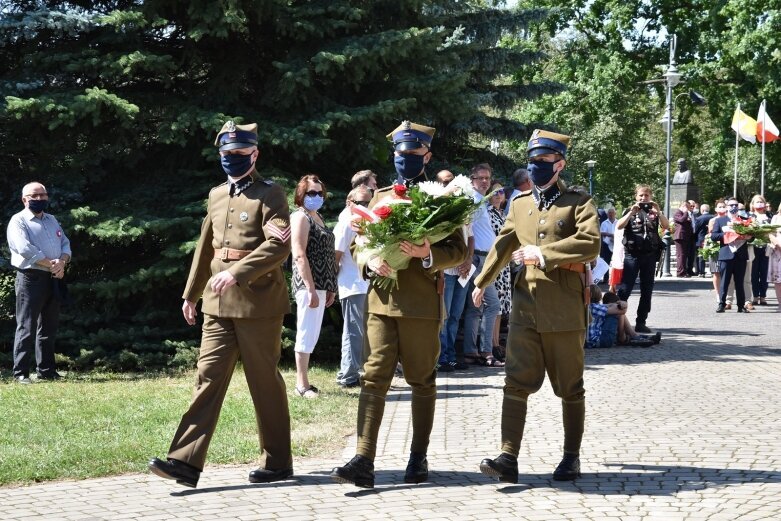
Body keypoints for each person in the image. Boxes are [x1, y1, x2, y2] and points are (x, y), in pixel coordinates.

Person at [148, 121, 293, 488]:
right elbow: (205, 247)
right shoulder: (216, 195)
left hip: (258, 305)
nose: (230, 160)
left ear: (254, 154)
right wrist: (190, 293)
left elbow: (279, 246)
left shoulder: (271, 194)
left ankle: (277, 462)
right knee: (207, 379)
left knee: (265, 384)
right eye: (225, 154)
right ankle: (184, 462)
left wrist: (238, 272)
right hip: (216, 304)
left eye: (238, 154)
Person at [330, 121, 468, 488]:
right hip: (381, 300)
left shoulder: (443, 198)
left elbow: (458, 250)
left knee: (421, 380)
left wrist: (427, 254)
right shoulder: (380, 196)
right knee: (373, 378)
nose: (404, 159)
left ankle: (418, 456)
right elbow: (360, 243)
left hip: (421, 305)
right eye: (399, 154)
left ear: (427, 156)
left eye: (412, 154)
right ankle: (363, 458)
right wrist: (368, 261)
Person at [471, 129, 600, 483]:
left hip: (564, 311)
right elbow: (502, 245)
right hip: (526, 308)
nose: (536, 167)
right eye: (532, 162)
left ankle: (571, 457)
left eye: (543, 162)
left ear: (559, 164)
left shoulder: (579, 202)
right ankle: (507, 457)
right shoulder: (520, 203)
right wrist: (481, 281)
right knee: (515, 382)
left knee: (570, 387)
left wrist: (544, 254)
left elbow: (590, 244)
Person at [7, 182, 72, 384]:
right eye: (35, 196)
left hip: (53, 277)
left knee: (49, 326)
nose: (40, 199)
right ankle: (21, 373)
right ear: (24, 199)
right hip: (31, 278)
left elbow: (65, 243)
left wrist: (61, 262)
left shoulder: (51, 220)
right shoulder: (18, 221)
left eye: (43, 195)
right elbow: (23, 248)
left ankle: (46, 370)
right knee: (26, 326)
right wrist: (50, 263)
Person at [290, 174, 338, 398]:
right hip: (308, 284)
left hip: (322, 285)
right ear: (301, 194)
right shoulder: (300, 217)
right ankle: (302, 385)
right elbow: (299, 254)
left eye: (320, 193)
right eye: (311, 193)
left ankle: (305, 382)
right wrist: (310, 289)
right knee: (306, 332)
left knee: (312, 333)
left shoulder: (317, 216)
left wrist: (330, 286)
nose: (317, 196)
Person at [462, 164, 503, 366]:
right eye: (481, 178)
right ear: (472, 179)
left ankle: (471, 352)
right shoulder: (471, 200)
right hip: (477, 259)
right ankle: (486, 351)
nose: (485, 182)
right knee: (492, 304)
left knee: (475, 306)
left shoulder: (481, 201)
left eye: (488, 178)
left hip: (484, 258)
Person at [616, 184, 669, 333]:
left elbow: (666, 226)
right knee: (626, 288)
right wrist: (631, 213)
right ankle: (617, 320)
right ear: (636, 197)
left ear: (650, 197)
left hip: (649, 255)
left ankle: (641, 321)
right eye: (640, 195)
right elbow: (620, 226)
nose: (643, 198)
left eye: (646, 195)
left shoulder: (655, 212)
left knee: (647, 290)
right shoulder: (630, 210)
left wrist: (658, 212)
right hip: (632, 255)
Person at [334, 185, 372, 388]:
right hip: (351, 284)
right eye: (361, 203)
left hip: (363, 284)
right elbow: (336, 256)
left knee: (361, 331)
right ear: (350, 203)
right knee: (353, 331)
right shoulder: (345, 224)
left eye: (368, 202)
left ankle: (354, 373)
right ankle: (348, 375)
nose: (365, 206)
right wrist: (332, 285)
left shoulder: (366, 222)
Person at [436, 169, 473, 372]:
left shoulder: (463, 208)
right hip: (447, 272)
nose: (449, 184)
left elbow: (471, 237)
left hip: (463, 271)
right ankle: (441, 357)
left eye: (451, 181)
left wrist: (467, 260)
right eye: (445, 182)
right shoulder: (438, 208)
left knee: (456, 315)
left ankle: (451, 355)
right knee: (445, 315)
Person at [585, 286, 660, 349]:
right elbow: (621, 311)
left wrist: (618, 304)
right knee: (618, 312)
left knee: (616, 309)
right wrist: (622, 304)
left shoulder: (589, 307)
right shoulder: (594, 307)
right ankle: (623, 337)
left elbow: (609, 306)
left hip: (596, 339)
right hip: (600, 340)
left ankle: (632, 336)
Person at [712, 197, 751, 313]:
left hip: (740, 255)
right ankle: (721, 304)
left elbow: (752, 236)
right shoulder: (720, 220)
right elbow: (714, 236)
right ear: (727, 207)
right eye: (731, 205)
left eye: (735, 205)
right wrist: (728, 234)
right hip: (726, 254)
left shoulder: (745, 220)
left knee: (740, 282)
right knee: (725, 281)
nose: (733, 207)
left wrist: (749, 236)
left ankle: (741, 306)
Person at [487, 182, 510, 365]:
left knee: (501, 307)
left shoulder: (503, 214)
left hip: (505, 265)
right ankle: (492, 345)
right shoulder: (488, 213)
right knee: (494, 306)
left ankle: (496, 343)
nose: (497, 194)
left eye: (500, 191)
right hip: (495, 263)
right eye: (494, 192)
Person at [749, 195, 770, 306]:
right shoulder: (750, 217)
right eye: (757, 202)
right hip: (754, 248)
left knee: (764, 273)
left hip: (766, 248)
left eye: (761, 202)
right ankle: (755, 296)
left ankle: (763, 296)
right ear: (752, 204)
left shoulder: (769, 217)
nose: (759, 204)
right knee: (754, 273)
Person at [673, 200, 694, 277]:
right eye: (687, 207)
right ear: (683, 206)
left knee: (684, 255)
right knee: (681, 255)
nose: (688, 209)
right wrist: (685, 213)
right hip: (680, 237)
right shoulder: (678, 213)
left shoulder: (683, 214)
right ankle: (680, 272)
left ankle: (684, 271)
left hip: (685, 237)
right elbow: (681, 220)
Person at [768, 203, 781, 312]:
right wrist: (778, 244)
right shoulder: (776, 218)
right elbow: (771, 233)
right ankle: (780, 303)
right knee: (778, 280)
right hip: (777, 251)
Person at [694, 203, 713, 277]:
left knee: (701, 256)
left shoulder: (699, 219)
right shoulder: (713, 217)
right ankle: (713, 271)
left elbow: (696, 230)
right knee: (712, 255)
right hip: (712, 238)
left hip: (701, 239)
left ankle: (701, 272)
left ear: (702, 210)